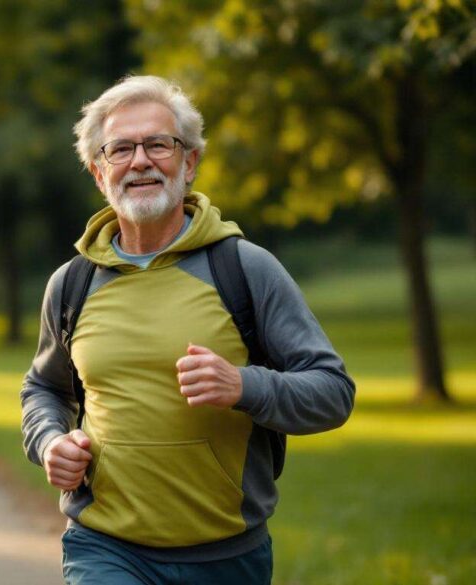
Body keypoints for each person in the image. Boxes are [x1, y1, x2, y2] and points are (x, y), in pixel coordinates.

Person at [20, 76, 355, 584]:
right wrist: (49, 442)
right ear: (97, 171)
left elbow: (333, 393)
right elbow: (43, 387)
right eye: (121, 149)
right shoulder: (73, 283)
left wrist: (245, 385)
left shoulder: (244, 269)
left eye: (159, 144)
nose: (141, 161)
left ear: (189, 162)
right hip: (104, 546)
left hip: (226, 555)